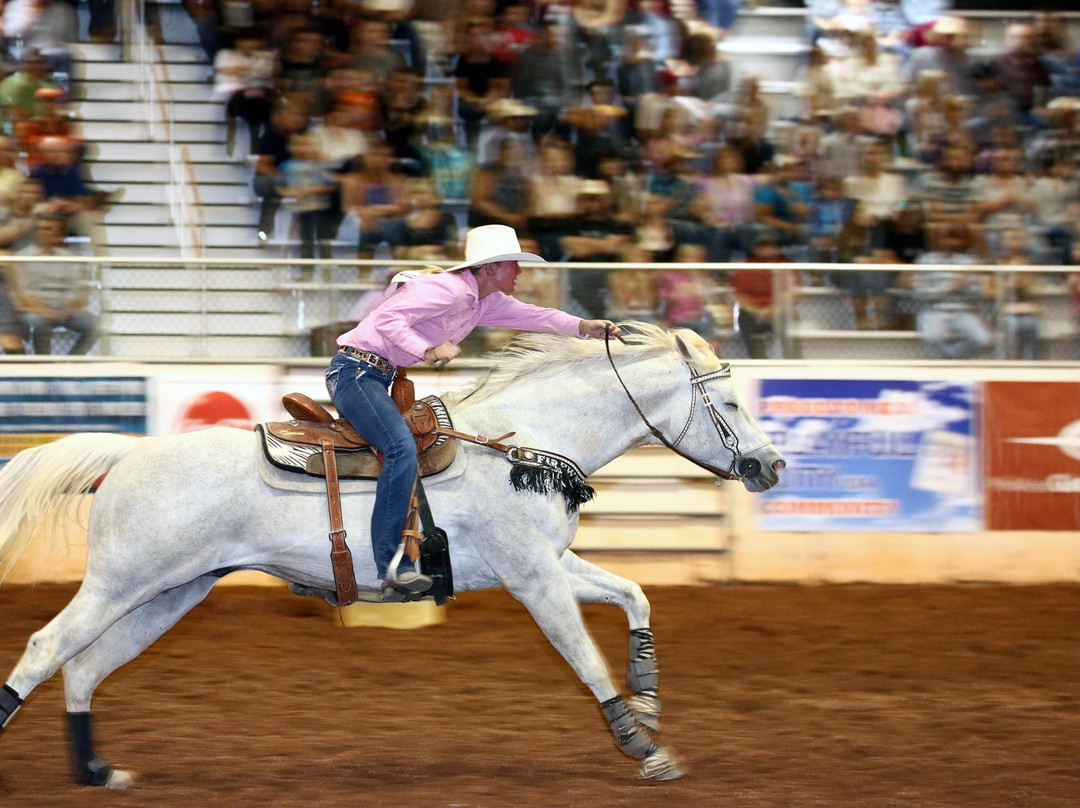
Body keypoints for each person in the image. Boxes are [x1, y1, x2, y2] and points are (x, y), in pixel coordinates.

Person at [327, 224, 619, 598]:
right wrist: (428, 350)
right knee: (401, 448)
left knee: (403, 448)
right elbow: (387, 318)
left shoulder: (482, 300)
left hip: (371, 374)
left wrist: (583, 327)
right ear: (491, 267)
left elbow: (534, 316)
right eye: (513, 263)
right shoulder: (447, 289)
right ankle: (390, 564)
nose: (520, 271)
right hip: (356, 372)